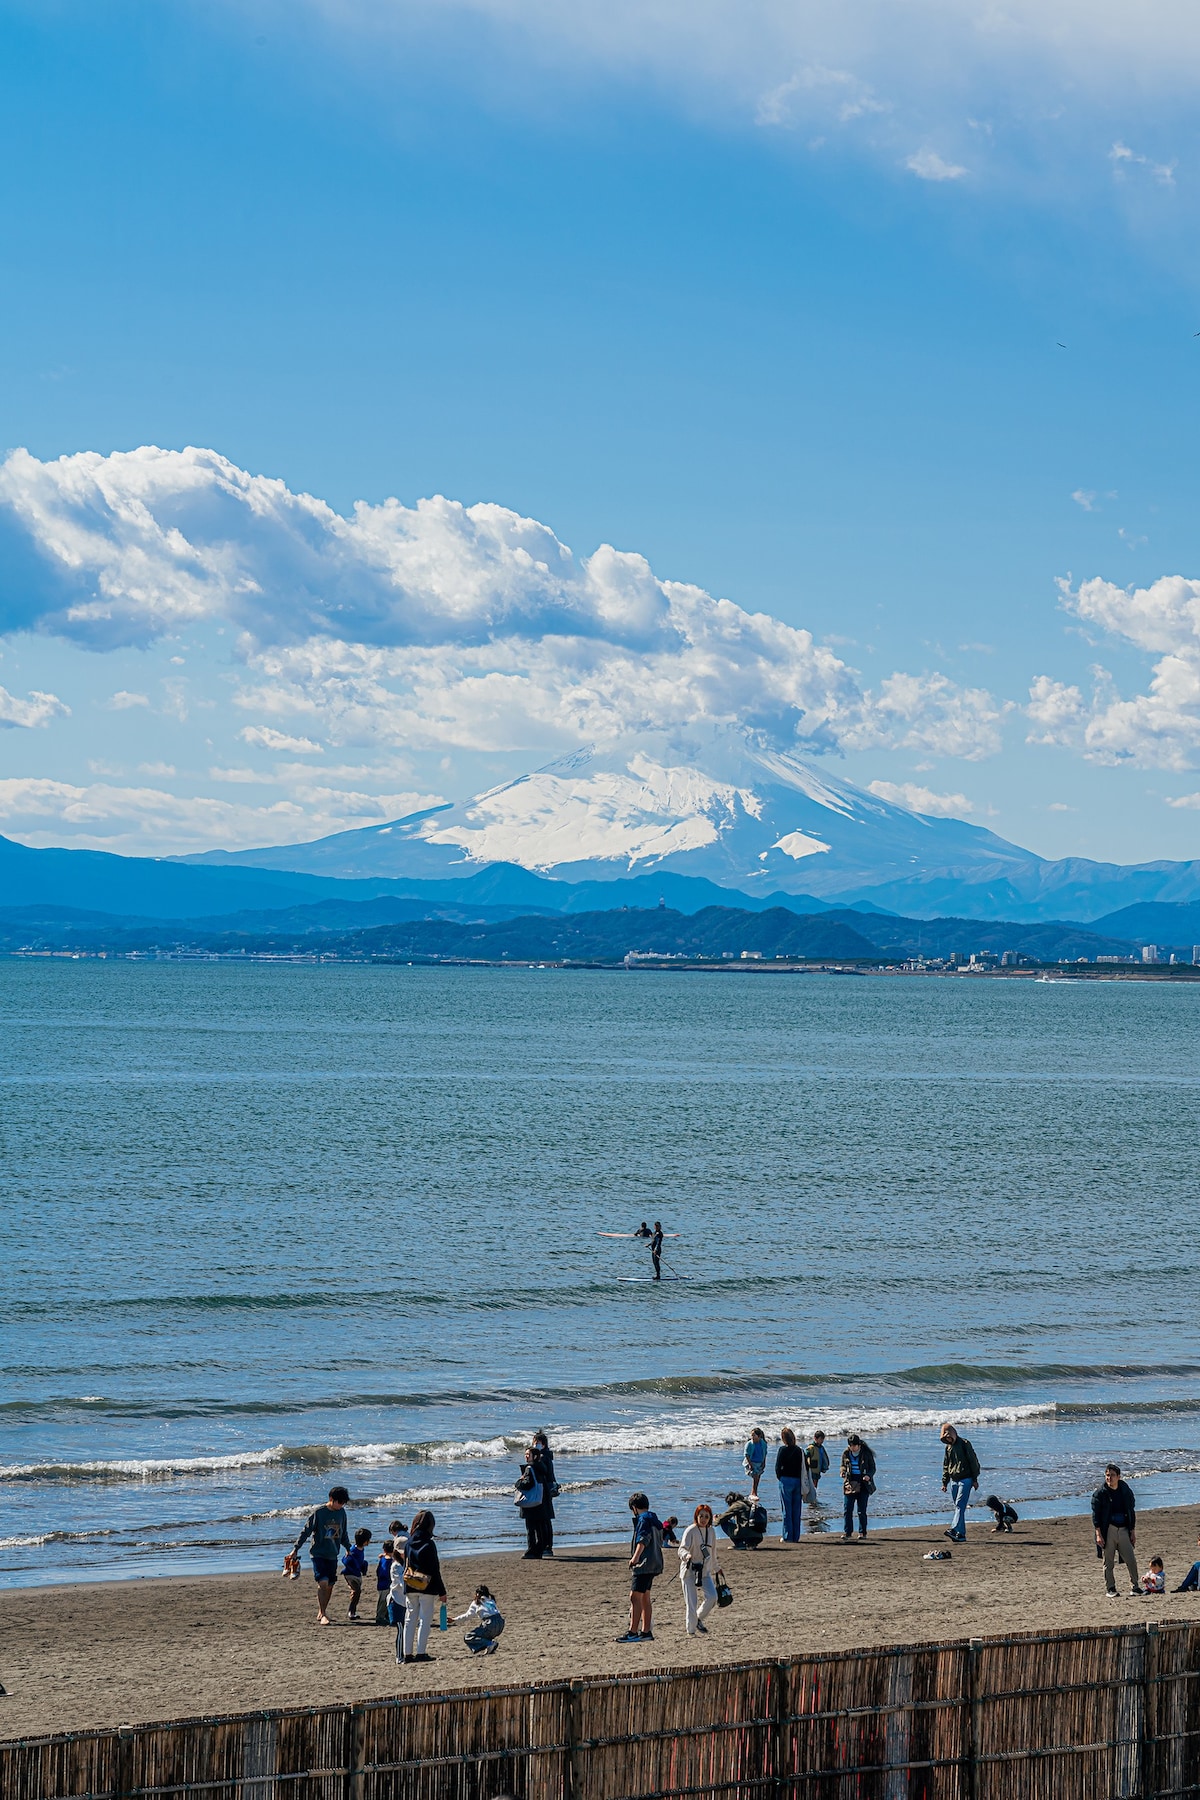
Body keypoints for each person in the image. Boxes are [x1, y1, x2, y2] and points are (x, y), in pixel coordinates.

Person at [291, 1484, 351, 1626]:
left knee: (330, 1584)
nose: (341, 1505)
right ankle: (323, 1614)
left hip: (333, 1553)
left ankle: (322, 1611)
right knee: (322, 1582)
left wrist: (349, 1548)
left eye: (343, 1503)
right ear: (331, 1499)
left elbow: (343, 1534)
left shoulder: (342, 1513)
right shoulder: (319, 1513)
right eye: (340, 1502)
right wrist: (295, 1549)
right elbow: (305, 1531)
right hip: (318, 1553)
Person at [616, 1492, 663, 1643]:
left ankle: (633, 1632)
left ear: (634, 1508)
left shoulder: (643, 1520)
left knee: (634, 1596)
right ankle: (646, 1631)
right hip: (655, 1563)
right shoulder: (654, 1519)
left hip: (644, 1564)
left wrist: (635, 1558)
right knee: (645, 1596)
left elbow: (643, 1540)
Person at [401, 1510, 447, 1661]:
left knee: (409, 1619)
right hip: (426, 1586)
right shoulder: (429, 1544)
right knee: (424, 1620)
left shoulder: (408, 1543)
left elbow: (405, 1564)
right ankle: (421, 1652)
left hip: (410, 1584)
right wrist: (442, 1591)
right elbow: (435, 1569)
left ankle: (407, 1653)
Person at [1092, 1464, 1140, 1598]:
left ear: (1118, 1477)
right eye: (1107, 1475)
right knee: (1108, 1562)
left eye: (1112, 1475)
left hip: (1124, 1528)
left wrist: (1132, 1531)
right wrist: (1098, 1534)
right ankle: (1111, 1588)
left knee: (1130, 1559)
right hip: (1108, 1530)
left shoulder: (1125, 1491)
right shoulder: (1100, 1493)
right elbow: (1096, 1515)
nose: (1109, 1478)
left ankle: (1135, 1587)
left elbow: (1131, 1511)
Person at [677, 1503, 720, 1636]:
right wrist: (687, 1555)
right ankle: (691, 1631)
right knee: (692, 1602)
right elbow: (681, 1549)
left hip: (704, 1570)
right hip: (689, 1570)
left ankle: (698, 1618)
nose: (703, 1519)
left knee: (713, 1596)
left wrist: (717, 1568)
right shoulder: (691, 1530)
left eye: (706, 1516)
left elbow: (712, 1553)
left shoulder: (711, 1531)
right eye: (701, 1516)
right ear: (696, 1516)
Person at [940, 1425, 981, 1544]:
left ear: (953, 1433)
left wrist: (974, 1479)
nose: (948, 1439)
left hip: (966, 1479)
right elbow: (946, 1465)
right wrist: (944, 1482)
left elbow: (973, 1461)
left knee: (960, 1504)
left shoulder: (964, 1444)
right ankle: (961, 1535)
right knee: (959, 1507)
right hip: (954, 1480)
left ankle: (954, 1529)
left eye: (949, 1436)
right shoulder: (948, 1448)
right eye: (945, 1438)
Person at [776, 1428, 810, 1542]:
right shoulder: (799, 1450)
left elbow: (777, 1467)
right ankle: (796, 1536)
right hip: (797, 1481)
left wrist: (780, 1477)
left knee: (787, 1510)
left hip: (786, 1481)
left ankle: (787, 1536)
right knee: (796, 1510)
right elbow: (806, 1466)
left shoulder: (782, 1450)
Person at [841, 1434, 876, 1541]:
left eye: (854, 1446)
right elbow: (843, 1465)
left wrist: (868, 1476)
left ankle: (862, 1532)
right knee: (847, 1509)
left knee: (861, 1510)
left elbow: (872, 1468)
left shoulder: (866, 1454)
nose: (852, 1448)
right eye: (851, 1446)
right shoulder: (846, 1453)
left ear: (859, 1445)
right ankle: (848, 1532)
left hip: (863, 1484)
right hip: (850, 1483)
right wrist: (842, 1472)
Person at [453, 1585, 505, 1654]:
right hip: (500, 1623)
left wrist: (454, 1620)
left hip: (490, 1623)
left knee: (468, 1637)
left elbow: (467, 1616)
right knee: (484, 1634)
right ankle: (490, 1647)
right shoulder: (491, 1600)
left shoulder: (476, 1602)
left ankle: (490, 1644)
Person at [516, 1446, 548, 1560]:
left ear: (534, 1456)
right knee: (539, 1527)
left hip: (530, 1502)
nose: (526, 1456)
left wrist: (519, 1482)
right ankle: (539, 1550)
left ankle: (531, 1550)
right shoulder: (541, 1467)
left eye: (528, 1455)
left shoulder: (530, 1468)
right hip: (540, 1501)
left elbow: (527, 1484)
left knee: (530, 1528)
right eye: (525, 1454)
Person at [532, 1430, 558, 1557]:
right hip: (547, 1489)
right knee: (545, 1519)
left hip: (545, 1490)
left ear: (543, 1444)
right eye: (534, 1442)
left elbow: (544, 1472)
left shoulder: (543, 1457)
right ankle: (547, 1546)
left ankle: (547, 1546)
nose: (535, 1444)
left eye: (538, 1442)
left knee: (544, 1519)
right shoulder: (546, 1455)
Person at [387, 1525, 409, 1663]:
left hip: (405, 1601)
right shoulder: (396, 1566)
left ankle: (407, 1654)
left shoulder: (407, 1563)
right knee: (400, 1629)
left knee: (407, 1629)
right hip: (396, 1602)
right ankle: (399, 1656)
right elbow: (402, 1583)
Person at [342, 1526, 371, 1620]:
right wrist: (353, 1566)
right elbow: (345, 1560)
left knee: (356, 1593)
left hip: (357, 1574)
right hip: (350, 1574)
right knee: (357, 1591)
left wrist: (363, 1567)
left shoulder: (361, 1549)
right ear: (364, 1541)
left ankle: (353, 1611)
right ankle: (351, 1611)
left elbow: (360, 1562)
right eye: (368, 1540)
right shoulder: (352, 1550)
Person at [375, 1538, 394, 1626]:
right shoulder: (389, 1561)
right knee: (383, 1602)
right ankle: (380, 1617)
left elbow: (378, 1571)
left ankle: (385, 1616)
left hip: (381, 1584)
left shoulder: (383, 1559)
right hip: (386, 1584)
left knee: (384, 1601)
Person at [744, 1428, 768, 1498]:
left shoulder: (763, 1443)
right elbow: (746, 1455)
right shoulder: (749, 1444)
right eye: (751, 1435)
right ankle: (754, 1493)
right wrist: (750, 1464)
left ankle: (753, 1492)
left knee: (757, 1478)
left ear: (759, 1436)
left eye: (754, 1435)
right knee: (756, 1477)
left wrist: (764, 1462)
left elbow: (765, 1453)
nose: (752, 1437)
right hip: (751, 1462)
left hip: (760, 1463)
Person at [805, 1432, 830, 1498]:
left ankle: (813, 1498)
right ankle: (811, 1497)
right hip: (812, 1470)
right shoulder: (811, 1447)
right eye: (821, 1439)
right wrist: (808, 1463)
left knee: (815, 1484)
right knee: (813, 1485)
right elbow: (806, 1455)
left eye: (823, 1439)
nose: (822, 1441)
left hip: (818, 1469)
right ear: (815, 1438)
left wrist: (825, 1467)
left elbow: (824, 1457)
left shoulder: (821, 1448)